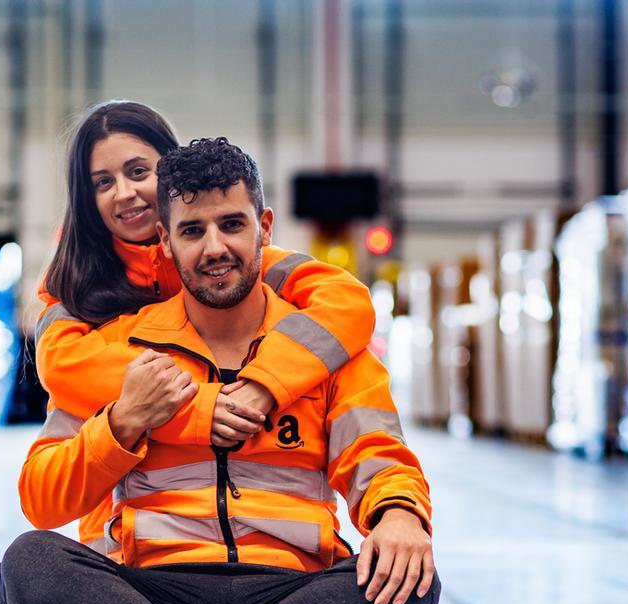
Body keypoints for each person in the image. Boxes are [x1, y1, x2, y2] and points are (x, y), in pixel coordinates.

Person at [0, 137, 440, 604]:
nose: (214, 249)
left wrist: (398, 515)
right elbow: (41, 498)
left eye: (232, 225)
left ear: (263, 226)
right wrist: (122, 423)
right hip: (156, 596)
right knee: (32, 566)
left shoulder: (321, 347)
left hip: (292, 589)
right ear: (165, 240)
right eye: (192, 231)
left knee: (410, 579)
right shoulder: (121, 355)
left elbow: (377, 453)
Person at [33, 101, 377, 549]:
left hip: (273, 557)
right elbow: (64, 366)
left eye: (138, 172)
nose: (123, 193)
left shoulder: (243, 263)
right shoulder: (73, 289)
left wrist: (265, 384)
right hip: (129, 543)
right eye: (102, 182)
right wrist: (198, 407)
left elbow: (349, 303)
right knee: (36, 561)